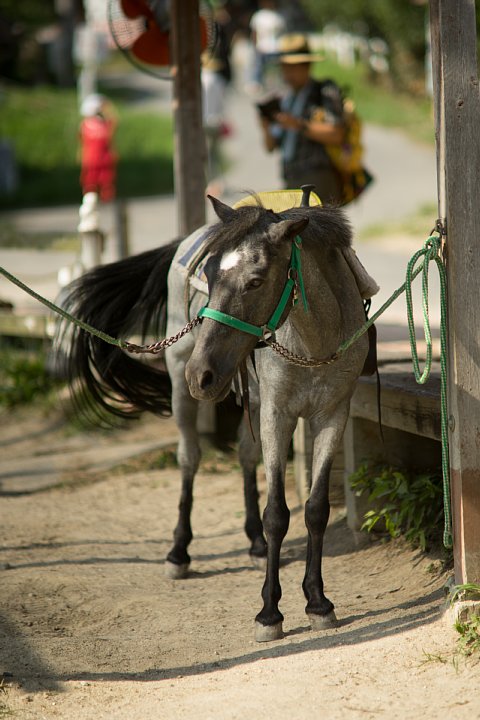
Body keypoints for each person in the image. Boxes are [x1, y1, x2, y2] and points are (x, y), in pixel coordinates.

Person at [257, 33, 345, 204]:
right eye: (285, 67)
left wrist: (299, 125)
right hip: (290, 178)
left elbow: (336, 134)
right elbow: (270, 147)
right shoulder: (285, 99)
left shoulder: (324, 92)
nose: (288, 72)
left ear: (307, 66)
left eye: (293, 67)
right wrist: (265, 127)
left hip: (318, 178)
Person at [79, 93, 118, 203]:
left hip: (103, 159)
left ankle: (105, 202)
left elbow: (113, 123)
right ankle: (91, 202)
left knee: (106, 184)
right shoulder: (86, 124)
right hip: (92, 160)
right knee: (90, 184)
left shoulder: (103, 124)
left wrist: (106, 107)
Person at [249, 0, 286, 90]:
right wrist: (255, 45)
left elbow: (283, 33)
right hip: (262, 46)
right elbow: (254, 32)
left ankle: (282, 81)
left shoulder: (277, 16)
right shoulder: (258, 16)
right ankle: (257, 82)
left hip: (276, 47)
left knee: (279, 67)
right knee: (259, 66)